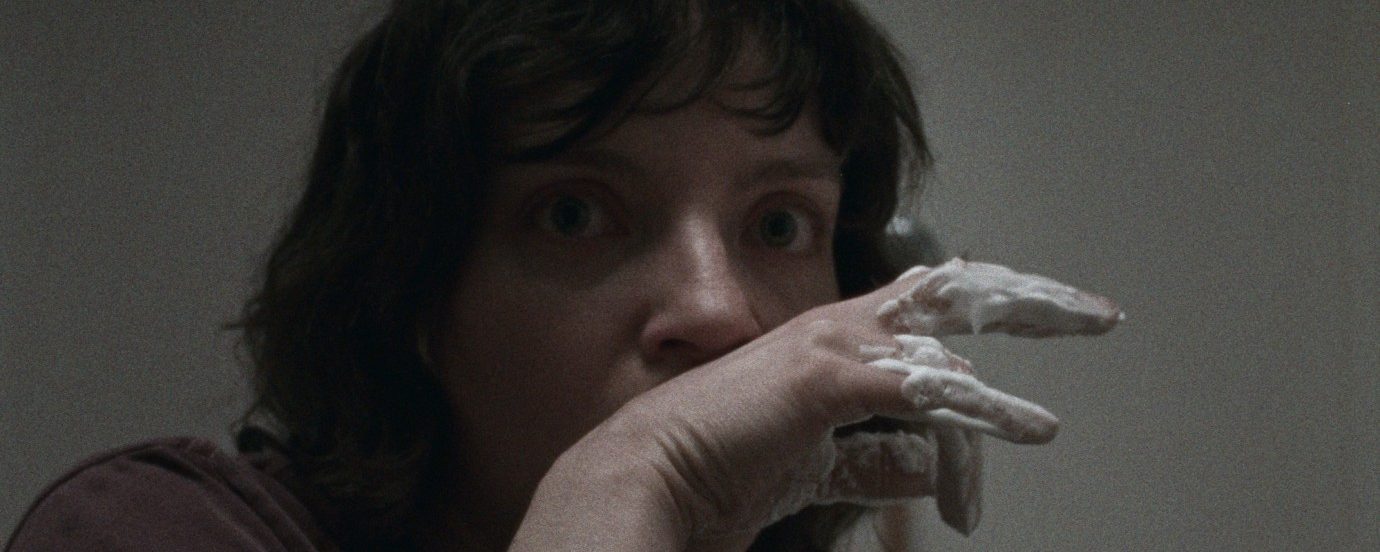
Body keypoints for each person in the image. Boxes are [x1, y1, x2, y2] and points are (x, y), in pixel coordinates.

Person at [6, 1, 1121, 550]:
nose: (718, 310)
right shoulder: (152, 532)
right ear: (412, 289)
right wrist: (632, 474)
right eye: (577, 213)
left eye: (780, 223)